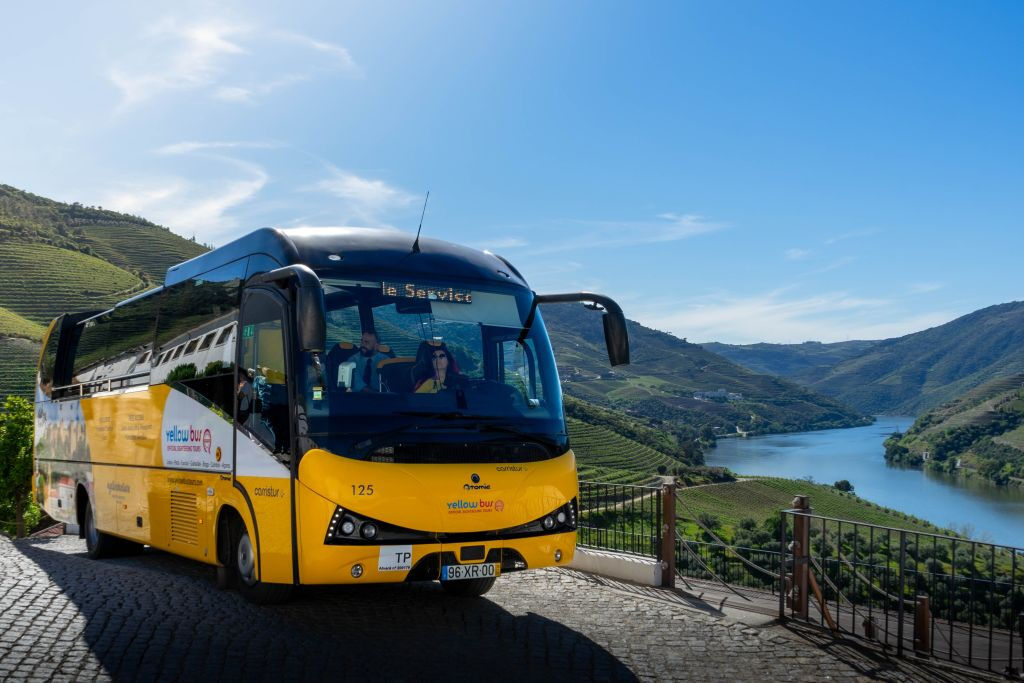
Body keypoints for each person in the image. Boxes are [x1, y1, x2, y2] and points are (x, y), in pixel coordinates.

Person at [326, 329, 394, 392]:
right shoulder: (352, 361)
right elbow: (358, 384)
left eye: (366, 342)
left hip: (384, 399)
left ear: (376, 346)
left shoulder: (386, 361)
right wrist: (376, 394)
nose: (362, 345)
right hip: (358, 399)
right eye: (361, 341)